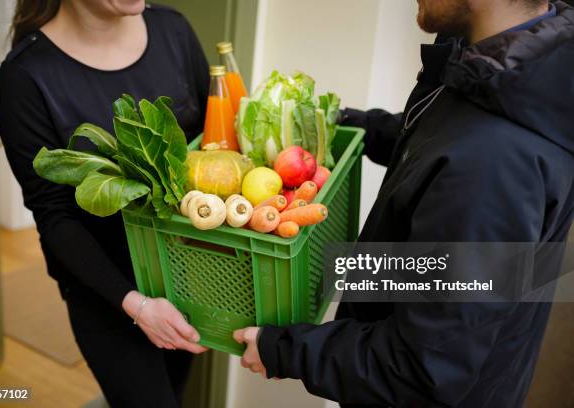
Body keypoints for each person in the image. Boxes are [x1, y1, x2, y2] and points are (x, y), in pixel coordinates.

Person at [234, 0, 574, 406]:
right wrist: (343, 123)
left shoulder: (495, 162)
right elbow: (439, 137)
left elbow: (419, 369)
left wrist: (282, 349)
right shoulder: (496, 62)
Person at [0, 1, 209, 406]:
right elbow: (54, 215)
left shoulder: (173, 30)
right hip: (107, 294)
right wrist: (137, 305)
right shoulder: (25, 77)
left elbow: (214, 142)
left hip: (188, 277)